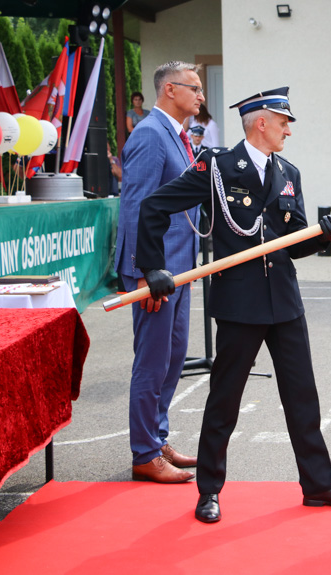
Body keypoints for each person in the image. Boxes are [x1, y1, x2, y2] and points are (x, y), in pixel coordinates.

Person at [136, 86, 331, 524]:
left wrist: (326, 234)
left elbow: (296, 243)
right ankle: (209, 491)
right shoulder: (218, 166)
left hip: (284, 301)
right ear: (260, 122)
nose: (288, 130)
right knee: (224, 401)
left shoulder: (289, 173)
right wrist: (152, 268)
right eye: (283, 122)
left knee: (303, 397)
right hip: (239, 305)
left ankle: (319, 484)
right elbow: (154, 206)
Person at [113, 61, 204, 484]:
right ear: (170, 89)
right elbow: (135, 207)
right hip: (157, 271)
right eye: (195, 88)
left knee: (172, 358)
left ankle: (158, 436)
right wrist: (144, 272)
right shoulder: (151, 135)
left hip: (180, 269)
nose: (201, 97)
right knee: (152, 362)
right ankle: (144, 453)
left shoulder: (179, 136)